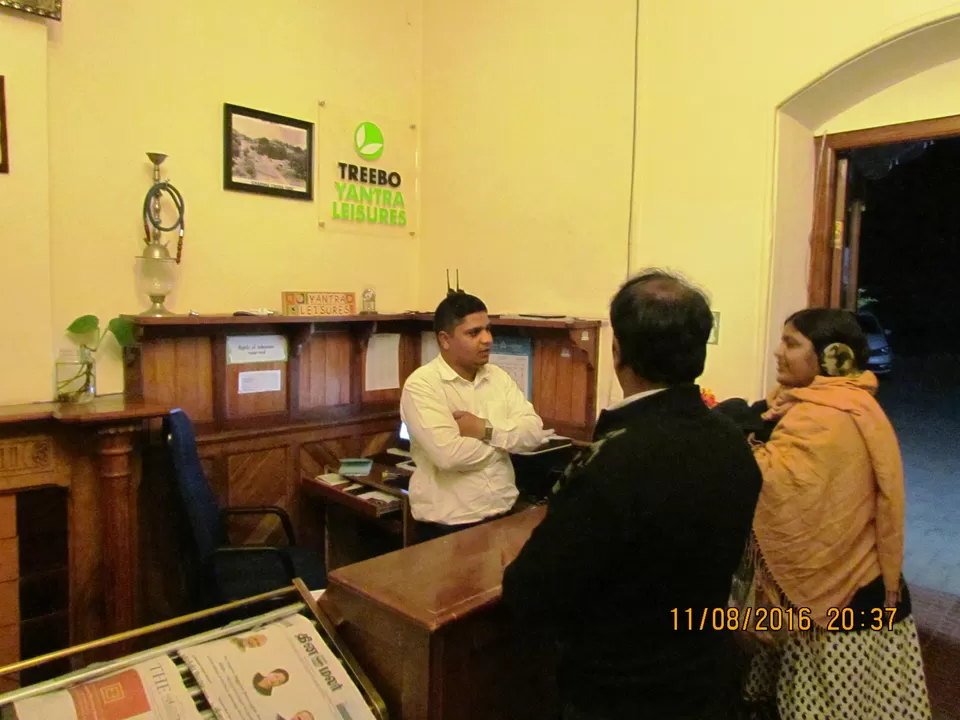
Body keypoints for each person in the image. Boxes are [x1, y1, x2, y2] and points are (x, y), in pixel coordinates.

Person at [501, 270, 763, 720]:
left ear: (618, 350)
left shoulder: (613, 462)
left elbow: (531, 591)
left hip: (619, 692)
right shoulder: (733, 441)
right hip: (705, 677)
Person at [734, 308, 931, 719]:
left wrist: (739, 447)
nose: (777, 352)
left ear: (831, 356)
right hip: (855, 579)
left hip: (842, 593)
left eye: (791, 343)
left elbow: (782, 488)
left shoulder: (825, 415)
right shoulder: (823, 403)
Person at [400, 291, 546, 540]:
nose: (487, 339)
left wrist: (485, 431)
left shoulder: (498, 377)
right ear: (445, 340)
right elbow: (449, 456)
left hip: (504, 516)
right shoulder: (422, 385)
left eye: (488, 329)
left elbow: (534, 433)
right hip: (448, 528)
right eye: (474, 333)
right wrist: (507, 445)